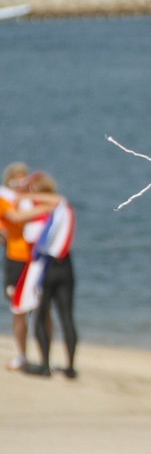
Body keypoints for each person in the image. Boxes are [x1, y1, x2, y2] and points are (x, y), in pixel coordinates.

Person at [0, 162, 61, 372]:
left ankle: (47, 357)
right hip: (15, 261)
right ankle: (22, 355)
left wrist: (35, 201)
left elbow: (57, 203)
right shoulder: (4, 200)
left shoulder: (32, 200)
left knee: (44, 310)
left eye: (23, 181)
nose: (19, 185)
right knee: (19, 310)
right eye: (15, 181)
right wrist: (43, 208)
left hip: (37, 260)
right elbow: (16, 218)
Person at [20, 171, 78, 379]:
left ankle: (45, 365)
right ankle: (70, 367)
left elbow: (30, 236)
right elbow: (60, 200)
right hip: (65, 266)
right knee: (66, 316)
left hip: (46, 267)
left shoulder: (49, 210)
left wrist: (25, 198)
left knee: (41, 316)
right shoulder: (64, 210)